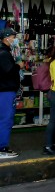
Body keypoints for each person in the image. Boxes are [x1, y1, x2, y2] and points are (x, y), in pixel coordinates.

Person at [0, 27, 24, 159]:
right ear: (6, 38)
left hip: (5, 91)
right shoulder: (3, 54)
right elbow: (8, 71)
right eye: (13, 37)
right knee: (5, 119)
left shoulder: (5, 52)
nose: (15, 40)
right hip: (5, 92)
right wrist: (18, 66)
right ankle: (2, 148)